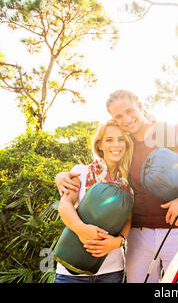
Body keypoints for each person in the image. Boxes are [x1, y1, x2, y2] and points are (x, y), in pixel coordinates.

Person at [55, 89, 178, 283]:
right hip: (137, 236)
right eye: (118, 116)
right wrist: (63, 176)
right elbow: (102, 168)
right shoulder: (124, 144)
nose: (126, 119)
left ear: (140, 106)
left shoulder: (169, 132)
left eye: (129, 111)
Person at [53, 119, 134, 283]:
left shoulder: (129, 183)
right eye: (109, 140)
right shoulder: (80, 173)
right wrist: (82, 230)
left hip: (112, 270)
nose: (116, 145)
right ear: (99, 145)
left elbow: (128, 220)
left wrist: (118, 242)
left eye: (120, 140)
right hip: (72, 271)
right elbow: (65, 205)